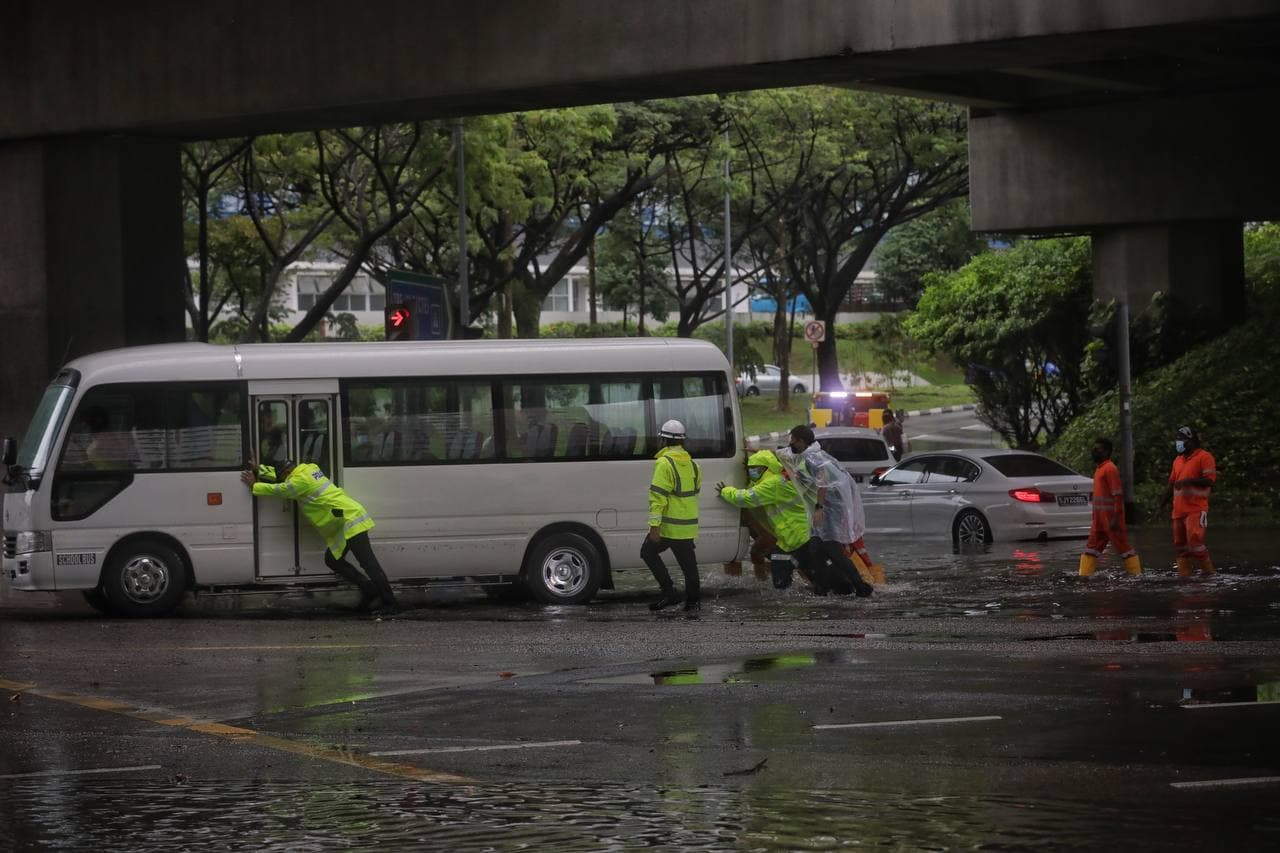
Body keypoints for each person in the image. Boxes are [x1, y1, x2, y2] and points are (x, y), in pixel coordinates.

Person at [241, 457, 399, 613]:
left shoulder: (297, 483)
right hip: (345, 520)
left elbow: (280, 489)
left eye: (284, 476)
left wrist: (255, 485)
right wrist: (259, 469)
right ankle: (368, 589)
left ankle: (390, 603)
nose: (284, 479)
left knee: (369, 565)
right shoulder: (310, 468)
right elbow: (282, 478)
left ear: (289, 472)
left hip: (350, 521)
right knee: (332, 560)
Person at [778, 425, 874, 597]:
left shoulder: (813, 458)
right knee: (816, 550)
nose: (790, 443)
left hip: (828, 509)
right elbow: (784, 453)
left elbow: (823, 483)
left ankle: (861, 587)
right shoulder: (812, 454)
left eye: (792, 439)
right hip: (824, 508)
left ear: (801, 441)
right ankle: (821, 590)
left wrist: (819, 508)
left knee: (833, 549)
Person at [715, 449, 816, 591]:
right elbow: (754, 489)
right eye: (750, 469)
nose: (752, 472)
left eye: (756, 469)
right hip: (790, 539)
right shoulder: (776, 480)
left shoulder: (773, 484)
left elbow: (746, 497)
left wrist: (725, 491)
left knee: (807, 571)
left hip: (798, 538)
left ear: (767, 467)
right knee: (781, 568)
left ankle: (810, 591)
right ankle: (786, 591)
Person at [642, 419, 702, 612]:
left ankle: (670, 593)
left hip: (669, 527)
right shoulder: (693, 465)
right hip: (687, 526)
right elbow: (695, 490)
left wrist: (654, 526)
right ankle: (692, 603)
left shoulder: (664, 463)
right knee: (689, 567)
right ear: (682, 442)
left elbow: (657, 498)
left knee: (648, 552)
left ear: (663, 441)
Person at [1078, 436, 1142, 577]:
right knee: (1091, 549)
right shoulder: (1100, 469)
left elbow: (1117, 495)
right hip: (1099, 521)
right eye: (1093, 449)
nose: (1094, 452)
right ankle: (1083, 577)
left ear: (1106, 452)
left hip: (1111, 519)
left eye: (1097, 450)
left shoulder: (1110, 469)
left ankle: (1137, 576)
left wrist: (1116, 518)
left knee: (1124, 548)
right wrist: (1096, 519)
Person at [1160, 426, 1217, 577]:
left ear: (1191, 441)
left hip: (1196, 508)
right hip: (1178, 511)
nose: (1178, 443)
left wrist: (1188, 481)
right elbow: (1172, 483)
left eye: (1181, 440)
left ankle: (1209, 574)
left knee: (1195, 544)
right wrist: (1162, 503)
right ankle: (1184, 578)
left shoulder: (1204, 457)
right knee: (1180, 547)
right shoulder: (1177, 460)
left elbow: (1210, 481)